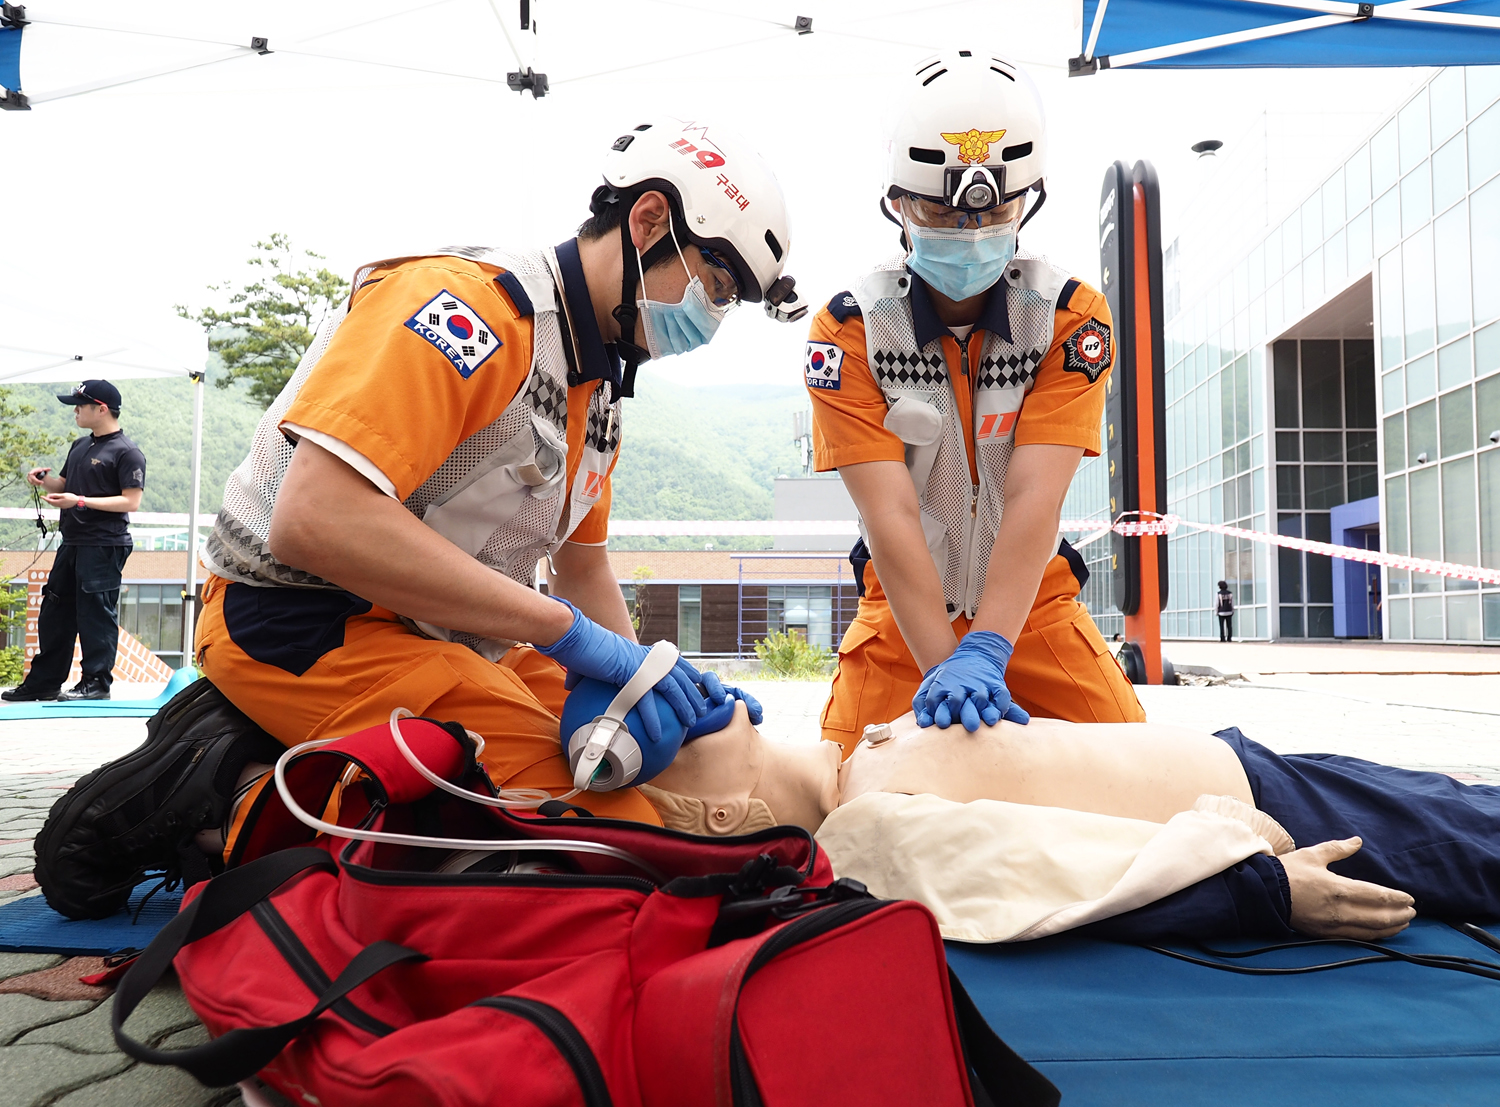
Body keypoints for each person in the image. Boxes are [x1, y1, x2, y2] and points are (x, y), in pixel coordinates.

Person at [38, 118, 809, 903]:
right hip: (298, 618)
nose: (713, 318)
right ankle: (224, 792)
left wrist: (643, 678)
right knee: (592, 845)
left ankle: (296, 758)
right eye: (716, 287)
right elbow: (314, 518)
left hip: (448, 633)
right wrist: (568, 635)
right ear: (647, 222)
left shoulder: (598, 387)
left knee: (651, 771)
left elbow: (582, 566)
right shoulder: (467, 310)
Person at [803, 50, 1143, 754]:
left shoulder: (1070, 317)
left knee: (1136, 769)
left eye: (996, 209)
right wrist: (942, 668)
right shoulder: (849, 330)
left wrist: (985, 648)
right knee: (838, 787)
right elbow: (889, 512)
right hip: (901, 610)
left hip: (1032, 602)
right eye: (939, 208)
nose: (969, 230)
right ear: (898, 202)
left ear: (1028, 199)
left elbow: (1033, 496)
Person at [637, 699, 1500, 943]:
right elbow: (1060, 877)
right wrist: (1263, 888)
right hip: (1283, 811)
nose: (686, 695)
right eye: (673, 735)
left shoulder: (856, 765)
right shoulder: (868, 830)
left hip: (1255, 764)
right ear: (724, 812)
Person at [3, 380, 145, 703]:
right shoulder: (80, 446)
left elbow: (131, 501)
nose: (75, 411)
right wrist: (45, 481)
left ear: (102, 409)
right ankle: (44, 682)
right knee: (55, 609)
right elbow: (65, 485)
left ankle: (96, 683)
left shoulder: (128, 452)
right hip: (73, 541)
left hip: (105, 543)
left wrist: (79, 501)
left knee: (95, 613)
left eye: (80, 405)